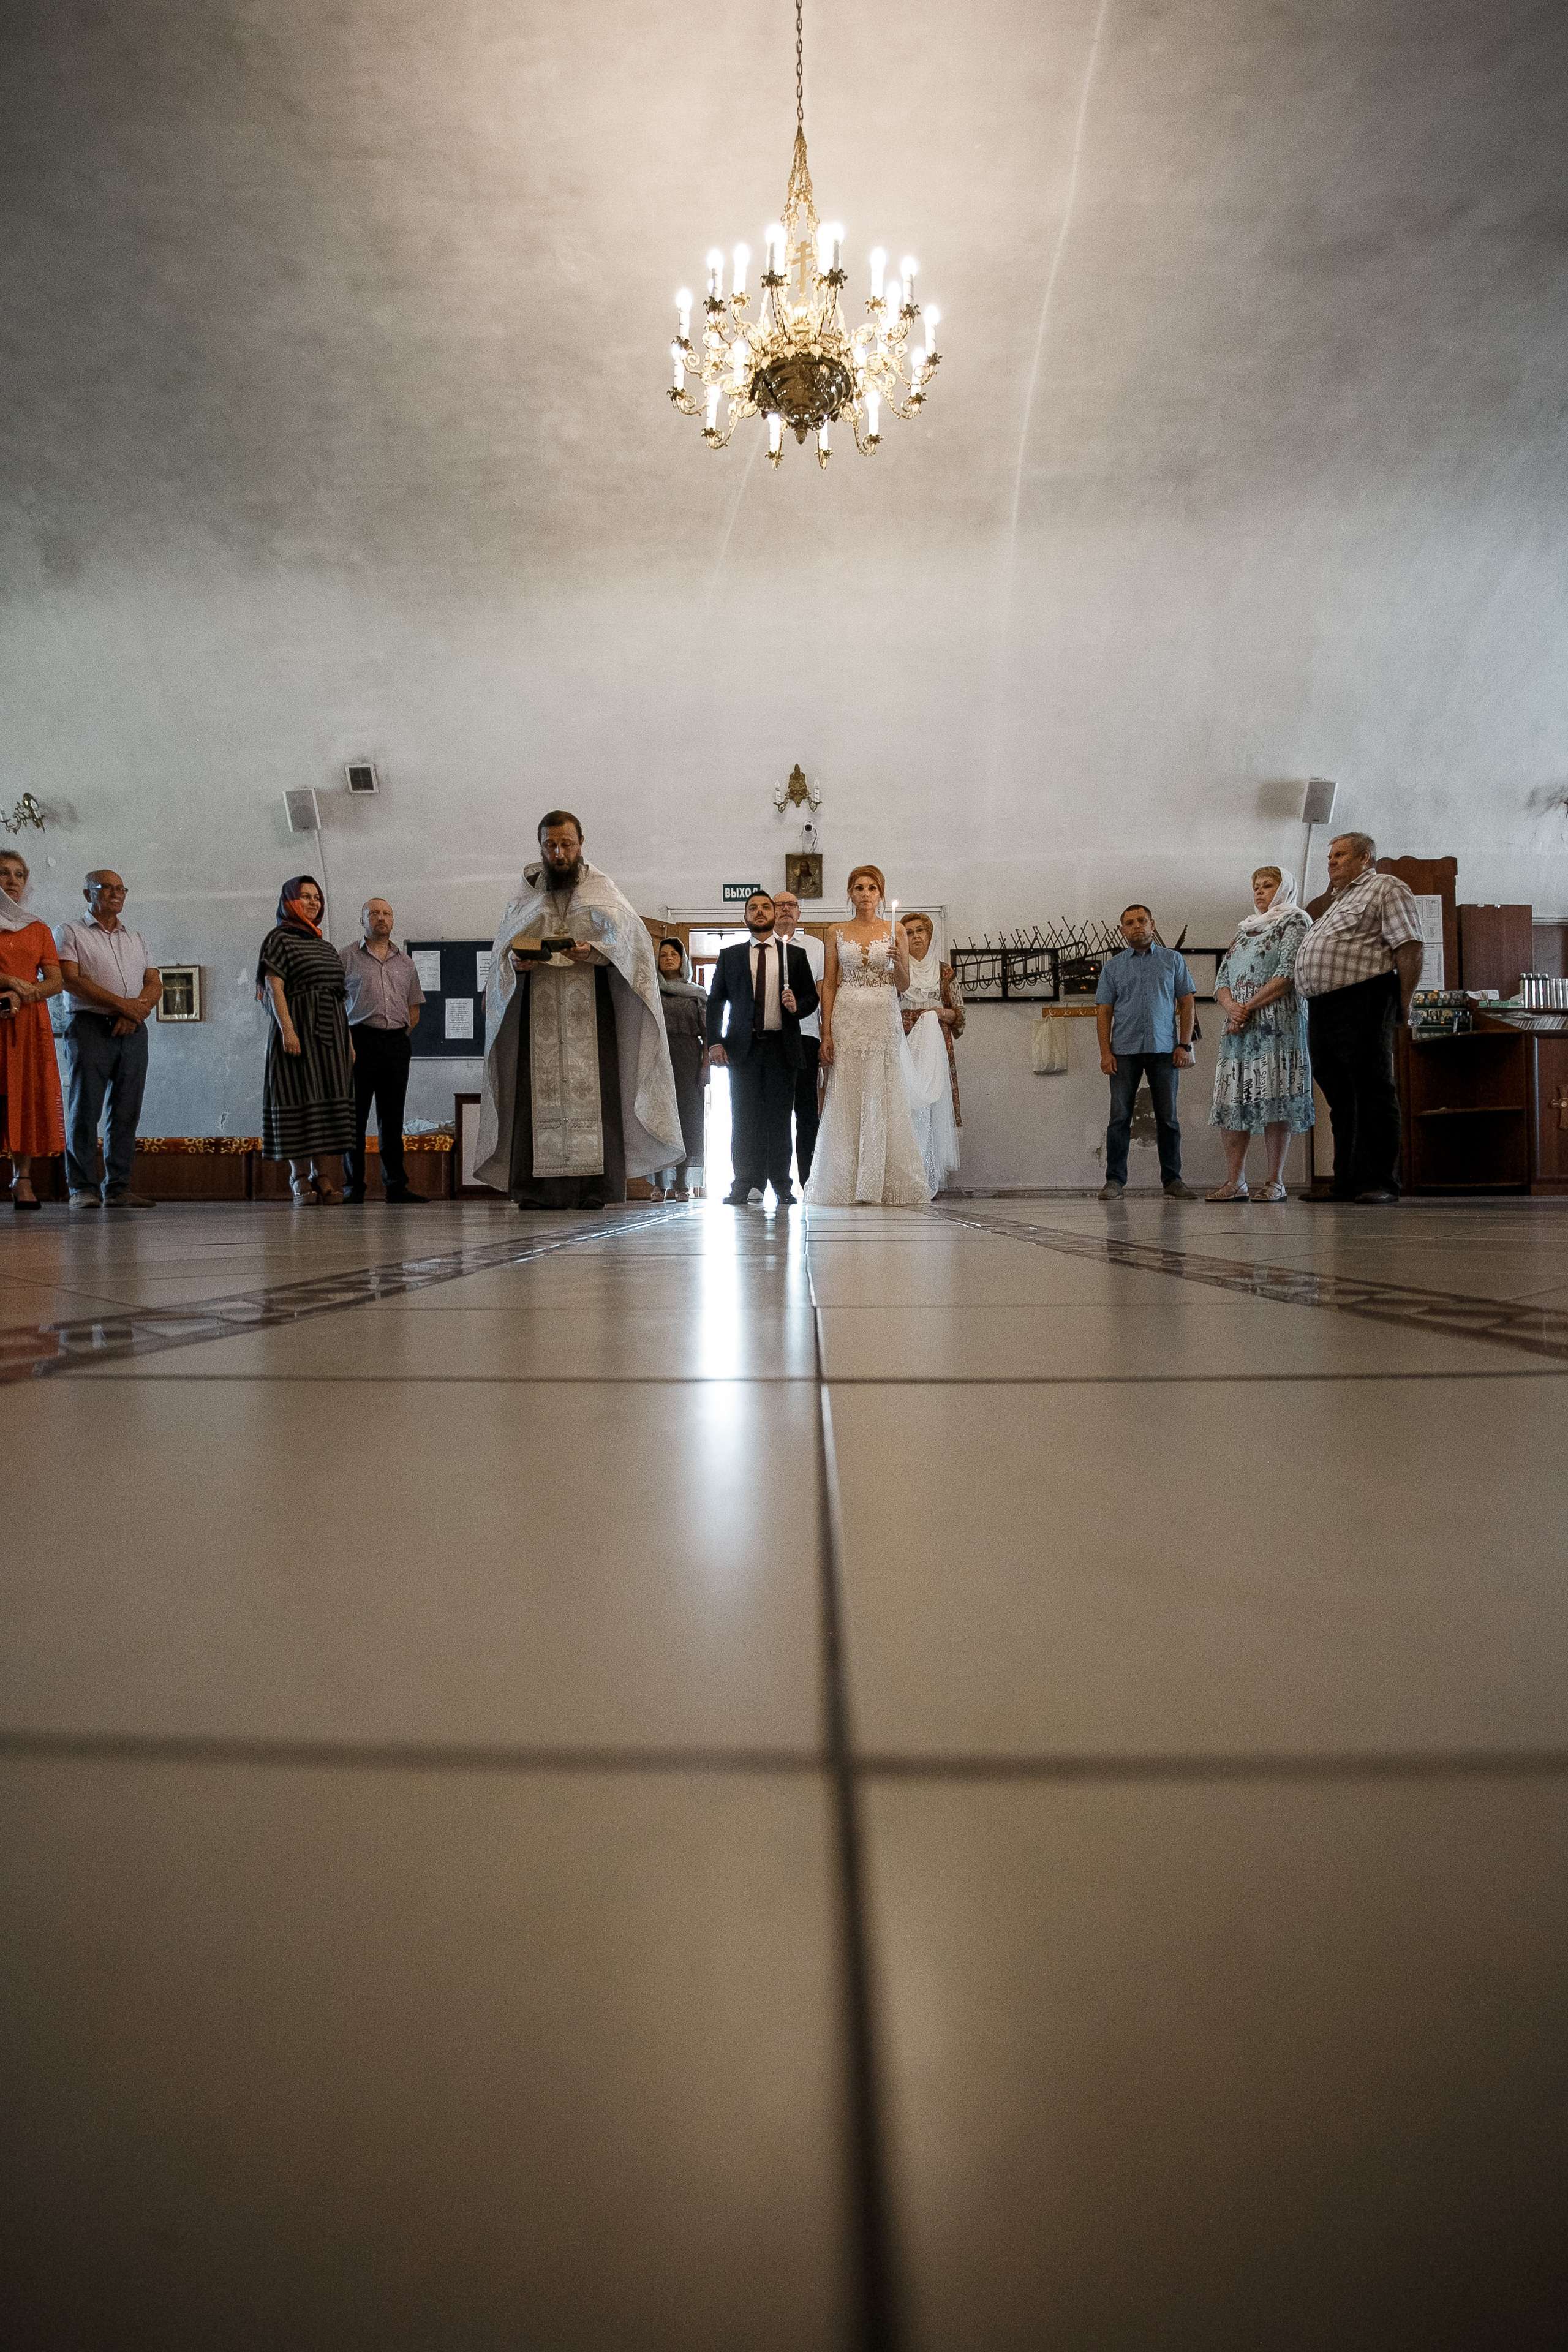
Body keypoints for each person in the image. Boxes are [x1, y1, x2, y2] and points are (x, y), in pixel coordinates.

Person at [474, 812, 682, 1209]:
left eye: (567, 844)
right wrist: (516, 965)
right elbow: (502, 954)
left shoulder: (603, 891)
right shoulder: (525, 895)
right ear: (540, 847)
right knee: (535, 1098)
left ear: (581, 842)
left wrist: (597, 952)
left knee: (595, 1097)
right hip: (538, 1014)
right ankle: (535, 1191)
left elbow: (633, 946)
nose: (559, 853)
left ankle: (594, 1189)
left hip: (591, 1012)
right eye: (551, 845)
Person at [1295, 831, 1423, 1204]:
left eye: (1340, 855)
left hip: (1364, 998)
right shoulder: (1338, 901)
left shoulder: (1386, 887)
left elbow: (1410, 945)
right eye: (1330, 856)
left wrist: (1405, 1002)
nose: (1331, 861)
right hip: (1323, 1007)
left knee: (1372, 1091)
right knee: (1340, 1097)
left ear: (1365, 857)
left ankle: (1380, 1182)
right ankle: (1347, 1181)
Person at [804, 866, 931, 1208]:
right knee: (846, 1094)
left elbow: (903, 985)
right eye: (858, 888)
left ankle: (882, 1182)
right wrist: (826, 1031)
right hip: (847, 1016)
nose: (865, 894)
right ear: (850, 893)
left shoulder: (897, 930)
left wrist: (898, 963)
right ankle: (845, 1181)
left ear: (881, 894)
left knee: (883, 1093)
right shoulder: (835, 932)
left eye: (872, 888)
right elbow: (829, 983)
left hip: (883, 1015)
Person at [54, 868, 162, 1210]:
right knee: (85, 1108)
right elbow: (71, 980)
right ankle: (82, 1188)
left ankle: (118, 1188)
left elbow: (154, 981)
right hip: (89, 1026)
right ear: (88, 894)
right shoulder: (70, 931)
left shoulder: (137, 937)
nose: (116, 894)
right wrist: (125, 1008)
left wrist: (136, 1012)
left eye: (121, 888)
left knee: (127, 1110)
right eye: (106, 888)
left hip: (133, 1031)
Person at [1205, 867, 1314, 1202]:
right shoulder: (1244, 929)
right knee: (1232, 1099)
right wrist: (1232, 1008)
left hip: (1276, 1027)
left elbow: (1286, 975)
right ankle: (1235, 1182)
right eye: (1256, 886)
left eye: (1268, 886)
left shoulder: (1295, 921)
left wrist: (1246, 1007)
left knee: (1274, 1099)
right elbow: (1220, 980)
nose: (1260, 892)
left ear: (1284, 890)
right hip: (1238, 1027)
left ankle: (1274, 1182)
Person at [706, 891, 820, 1208]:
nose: (759, 912)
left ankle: (782, 1185)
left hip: (783, 1048)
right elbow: (715, 1001)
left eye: (765, 907)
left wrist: (797, 1006)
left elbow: (812, 998)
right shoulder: (730, 956)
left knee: (780, 1119)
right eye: (752, 908)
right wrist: (715, 1041)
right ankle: (744, 1183)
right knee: (744, 1118)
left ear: (774, 914)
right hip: (743, 1049)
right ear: (744, 917)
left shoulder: (793, 956)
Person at [257, 875, 355, 1205]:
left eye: (317, 898)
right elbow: (275, 987)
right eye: (306, 897)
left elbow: (339, 996)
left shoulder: (325, 946)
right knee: (297, 1099)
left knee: (328, 1104)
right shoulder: (279, 939)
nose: (313, 903)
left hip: (332, 1036)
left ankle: (322, 1173)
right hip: (297, 1030)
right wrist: (288, 1029)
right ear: (289, 902)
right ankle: (298, 1177)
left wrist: (349, 1042)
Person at [1095, 905, 1197, 1200]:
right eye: (1130, 923)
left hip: (1165, 1049)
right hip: (1124, 1052)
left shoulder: (1173, 960)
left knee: (1168, 1119)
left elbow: (1188, 1003)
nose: (1137, 926)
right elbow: (1104, 1013)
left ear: (1153, 924)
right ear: (1122, 930)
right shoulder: (1112, 967)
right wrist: (1105, 1053)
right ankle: (1114, 1181)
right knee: (1119, 1118)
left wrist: (1185, 1044)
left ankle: (1173, 1180)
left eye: (1142, 921)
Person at [340, 898, 426, 1204]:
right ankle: (353, 1189)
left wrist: (400, 1036)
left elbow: (414, 1007)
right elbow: (335, 1005)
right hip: (358, 1042)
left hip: (395, 1044)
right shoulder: (347, 957)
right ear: (362, 920)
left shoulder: (406, 962)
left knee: (392, 1120)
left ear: (393, 920)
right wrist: (348, 1041)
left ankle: (396, 1187)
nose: (381, 918)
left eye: (386, 913)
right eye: (373, 913)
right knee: (355, 1119)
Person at [0, 848, 66, 1210]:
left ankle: (22, 1180)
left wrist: (26, 993)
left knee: (23, 1096)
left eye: (19, 874)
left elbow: (55, 981)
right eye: (4, 873)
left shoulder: (38, 928)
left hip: (27, 1023)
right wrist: (9, 980)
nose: (12, 881)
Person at [899, 910, 964, 1196]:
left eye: (920, 931)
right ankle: (906, 1175)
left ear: (929, 935)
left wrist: (938, 1013)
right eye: (909, 932)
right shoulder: (896, 969)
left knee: (934, 1109)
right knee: (906, 1108)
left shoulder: (945, 971)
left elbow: (960, 1015)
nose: (915, 937)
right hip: (904, 1047)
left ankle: (932, 1176)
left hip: (936, 1049)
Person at [771, 889, 826, 1185]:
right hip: (771, 1038)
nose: (786, 910)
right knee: (774, 1112)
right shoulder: (762, 945)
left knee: (806, 1112)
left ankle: (810, 1180)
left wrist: (825, 1035)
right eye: (780, 905)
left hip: (806, 1036)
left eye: (792, 905)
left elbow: (821, 993)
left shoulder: (815, 946)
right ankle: (776, 1182)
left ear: (800, 913)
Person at [652, 937, 707, 1199]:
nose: (669, 958)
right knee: (660, 1118)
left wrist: (706, 1066)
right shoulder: (650, 990)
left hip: (688, 1057)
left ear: (683, 960)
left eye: (674, 954)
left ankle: (682, 1183)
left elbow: (709, 1033)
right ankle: (659, 1183)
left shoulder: (696, 993)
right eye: (664, 955)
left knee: (688, 1120)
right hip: (657, 1057)